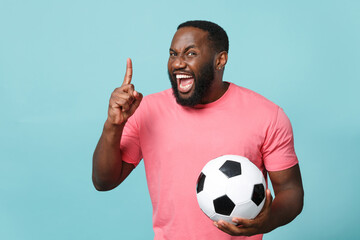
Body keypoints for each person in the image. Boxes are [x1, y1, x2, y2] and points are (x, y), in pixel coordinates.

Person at [92, 20, 304, 240]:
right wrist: (113, 126)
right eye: (173, 54)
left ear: (220, 60)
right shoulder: (145, 110)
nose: (177, 63)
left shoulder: (267, 115)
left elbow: (291, 191)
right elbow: (104, 181)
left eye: (190, 53)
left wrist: (267, 222)